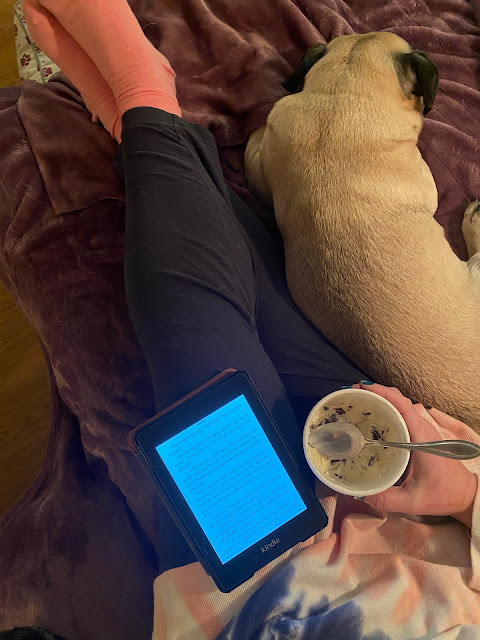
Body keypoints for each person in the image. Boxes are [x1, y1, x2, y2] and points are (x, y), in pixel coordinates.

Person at [6, 0, 479, 638]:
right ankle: (136, 113)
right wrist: (467, 497)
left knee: (193, 328)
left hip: (269, 586)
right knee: (241, 283)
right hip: (402, 487)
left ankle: (141, 97)